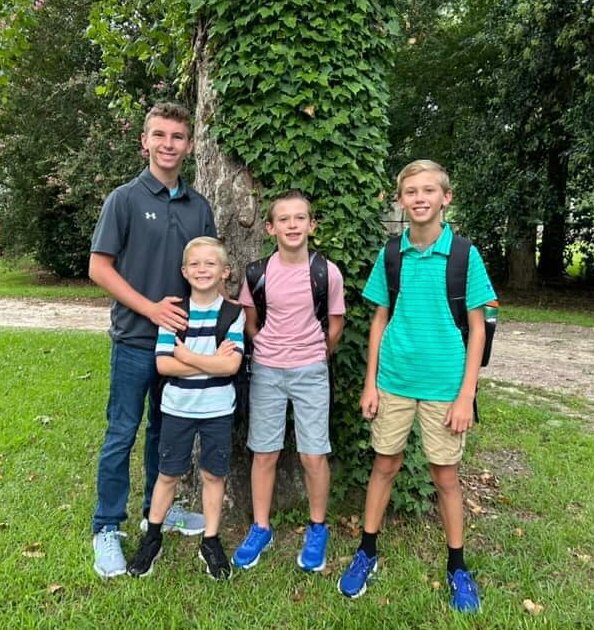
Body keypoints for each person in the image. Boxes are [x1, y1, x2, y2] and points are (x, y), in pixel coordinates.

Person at [337, 160, 496, 612]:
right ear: (401, 200)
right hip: (394, 381)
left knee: (445, 475)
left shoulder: (464, 254)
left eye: (429, 190)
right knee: (384, 464)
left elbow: (478, 327)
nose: (420, 198)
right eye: (411, 191)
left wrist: (467, 394)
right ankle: (367, 550)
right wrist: (370, 383)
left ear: (446, 197)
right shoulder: (392, 254)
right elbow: (378, 320)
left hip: (446, 387)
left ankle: (457, 566)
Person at [89, 102, 217, 578]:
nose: (168, 144)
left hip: (183, 347)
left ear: (189, 144)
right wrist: (151, 309)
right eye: (159, 135)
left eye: (177, 136)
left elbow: (208, 273)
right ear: (144, 142)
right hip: (134, 340)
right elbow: (99, 268)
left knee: (167, 435)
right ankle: (106, 527)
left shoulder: (199, 207)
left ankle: (155, 511)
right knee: (122, 432)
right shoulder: (123, 199)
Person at [232, 190, 345, 573]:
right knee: (264, 452)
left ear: (312, 225)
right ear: (271, 227)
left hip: (311, 371)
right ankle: (261, 526)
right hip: (266, 370)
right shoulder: (257, 272)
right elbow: (250, 320)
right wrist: (262, 342)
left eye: (300, 218)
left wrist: (314, 354)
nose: (293, 225)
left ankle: (317, 527)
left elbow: (335, 324)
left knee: (313, 454)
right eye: (284, 219)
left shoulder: (325, 272)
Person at [126, 237, 245, 580]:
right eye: (195, 264)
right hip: (178, 406)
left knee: (213, 474)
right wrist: (211, 362)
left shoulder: (232, 313)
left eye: (210, 264)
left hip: (218, 408)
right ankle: (152, 537)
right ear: (184, 271)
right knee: (169, 473)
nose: (202, 270)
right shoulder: (174, 312)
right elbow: (163, 365)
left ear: (225, 271)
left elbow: (232, 366)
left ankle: (210, 540)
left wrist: (188, 356)